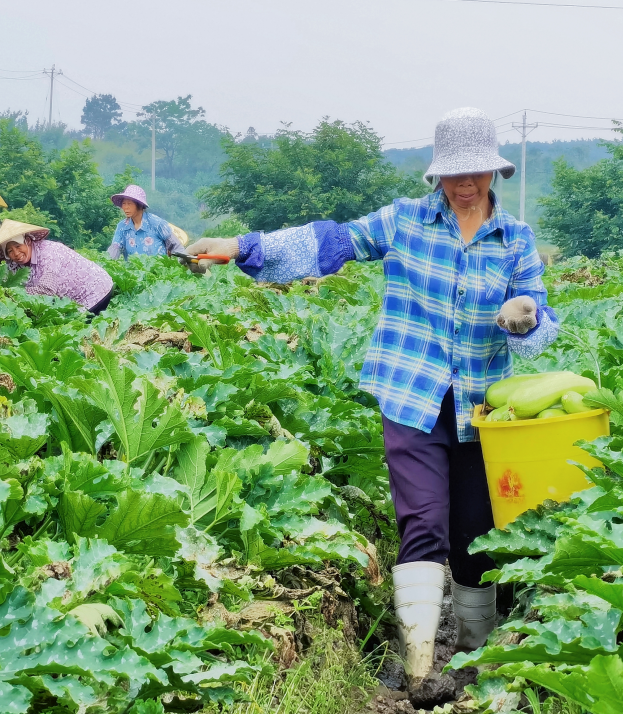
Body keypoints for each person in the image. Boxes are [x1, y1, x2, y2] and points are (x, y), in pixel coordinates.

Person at [183, 108, 559, 688]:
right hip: (411, 394)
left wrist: (526, 317)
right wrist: (242, 246)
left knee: (476, 537)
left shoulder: (515, 238)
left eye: (475, 175)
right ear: (437, 177)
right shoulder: (405, 221)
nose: (464, 187)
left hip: (483, 409)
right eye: (453, 176)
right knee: (424, 526)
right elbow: (333, 241)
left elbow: (538, 307)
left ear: (494, 174)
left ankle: (474, 666)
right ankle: (418, 671)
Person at [0, 220, 115, 315]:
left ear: (28, 242)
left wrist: (12, 294)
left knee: (78, 332)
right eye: (9, 251)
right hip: (71, 299)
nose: (16, 253)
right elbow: (7, 284)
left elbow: (46, 290)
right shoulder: (14, 264)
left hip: (94, 292)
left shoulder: (48, 252)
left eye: (18, 246)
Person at [105, 185, 185, 260]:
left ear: (139, 205)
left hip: (157, 272)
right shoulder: (122, 226)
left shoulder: (157, 224)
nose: (126, 207)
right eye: (124, 203)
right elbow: (115, 249)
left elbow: (175, 246)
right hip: (132, 272)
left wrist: (183, 263)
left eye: (129, 203)